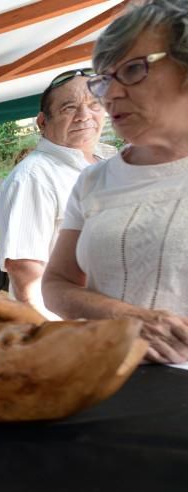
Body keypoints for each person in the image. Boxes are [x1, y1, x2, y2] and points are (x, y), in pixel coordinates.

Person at [44, 0, 188, 364]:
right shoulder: (95, 180)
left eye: (134, 69)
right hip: (102, 382)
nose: (111, 95)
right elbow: (56, 283)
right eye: (104, 79)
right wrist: (128, 317)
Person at [0, 68, 110, 317]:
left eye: (94, 105)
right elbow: (25, 273)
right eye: (69, 108)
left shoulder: (107, 166)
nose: (84, 116)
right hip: (72, 334)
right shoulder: (32, 177)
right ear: (43, 122)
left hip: (116, 325)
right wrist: (62, 339)